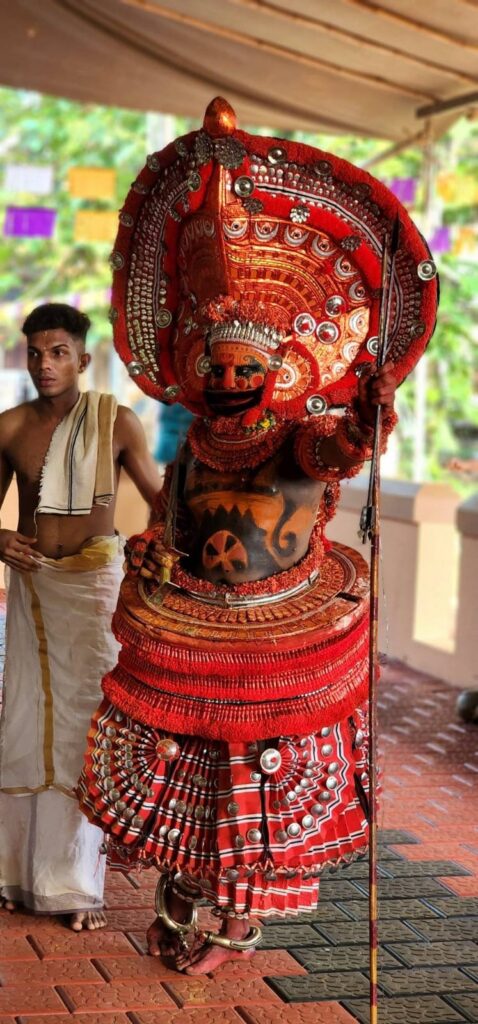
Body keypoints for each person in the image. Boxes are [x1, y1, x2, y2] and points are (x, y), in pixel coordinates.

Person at [77, 98, 438, 970]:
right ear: (196, 368)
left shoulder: (300, 437)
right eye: (218, 365)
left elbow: (340, 450)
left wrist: (368, 420)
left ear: (279, 373)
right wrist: (153, 550)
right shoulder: (195, 445)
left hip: (282, 631)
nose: (231, 378)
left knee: (262, 780)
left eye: (248, 367)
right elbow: (170, 517)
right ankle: (181, 895)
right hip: (192, 620)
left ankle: (238, 923)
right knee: (188, 771)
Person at [0, 302, 161, 930]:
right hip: (35, 589)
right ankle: (16, 873)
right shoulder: (11, 427)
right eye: (36, 353)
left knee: (87, 725)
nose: (46, 364)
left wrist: (158, 554)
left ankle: (76, 882)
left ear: (83, 359)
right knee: (26, 721)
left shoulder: (116, 422)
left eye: (59, 352)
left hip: (95, 587)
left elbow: (159, 505)